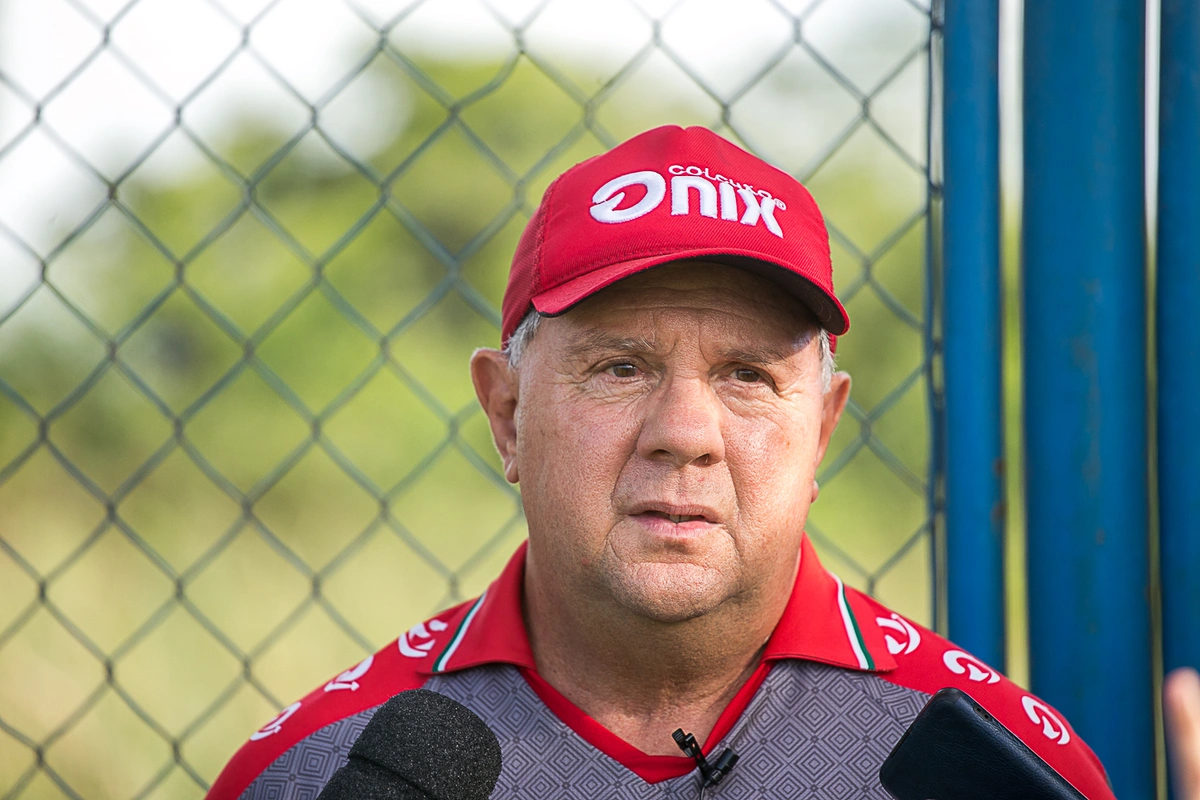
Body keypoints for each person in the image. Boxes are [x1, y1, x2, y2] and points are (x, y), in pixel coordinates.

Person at [206, 125, 1116, 799]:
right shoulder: (315, 774)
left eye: (748, 376)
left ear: (824, 431)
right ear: (509, 413)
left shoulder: (992, 772)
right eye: (620, 367)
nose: (685, 432)